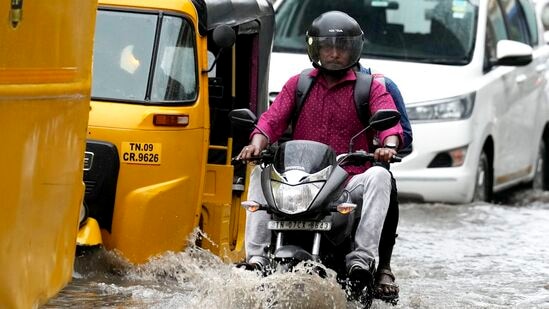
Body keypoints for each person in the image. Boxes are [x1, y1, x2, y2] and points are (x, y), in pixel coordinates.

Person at [237, 10, 404, 297]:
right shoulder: (298, 84)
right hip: (298, 181)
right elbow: (270, 121)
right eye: (328, 47)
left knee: (379, 176)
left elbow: (391, 126)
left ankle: (362, 259)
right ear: (315, 49)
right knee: (260, 172)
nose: (335, 54)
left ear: (354, 49)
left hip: (347, 182)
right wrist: (256, 144)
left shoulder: (370, 87)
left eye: (342, 47)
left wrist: (388, 146)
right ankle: (256, 258)